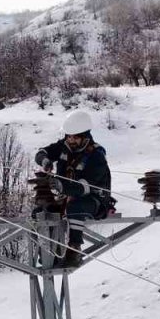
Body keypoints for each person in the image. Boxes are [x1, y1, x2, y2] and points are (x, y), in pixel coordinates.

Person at [34, 110, 113, 268]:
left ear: (85, 136)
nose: (71, 140)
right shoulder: (64, 146)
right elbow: (42, 152)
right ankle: (49, 249)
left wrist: (63, 186)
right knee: (41, 211)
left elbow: (85, 187)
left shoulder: (96, 155)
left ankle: (74, 249)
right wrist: (45, 161)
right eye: (68, 137)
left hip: (94, 199)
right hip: (66, 197)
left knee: (75, 207)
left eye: (75, 137)